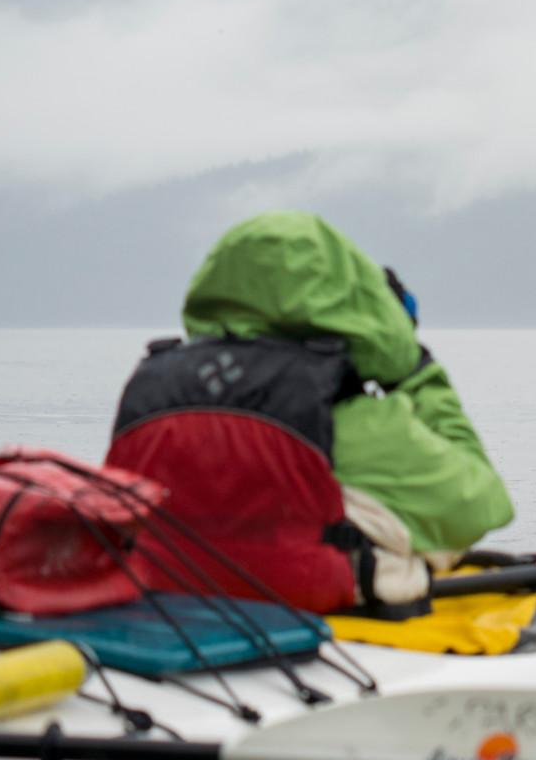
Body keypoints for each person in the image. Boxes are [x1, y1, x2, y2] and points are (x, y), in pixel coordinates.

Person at [177, 211, 513, 585]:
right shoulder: (358, 426)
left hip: (188, 603)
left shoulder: (158, 400)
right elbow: (482, 505)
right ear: (360, 312)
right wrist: (415, 370)